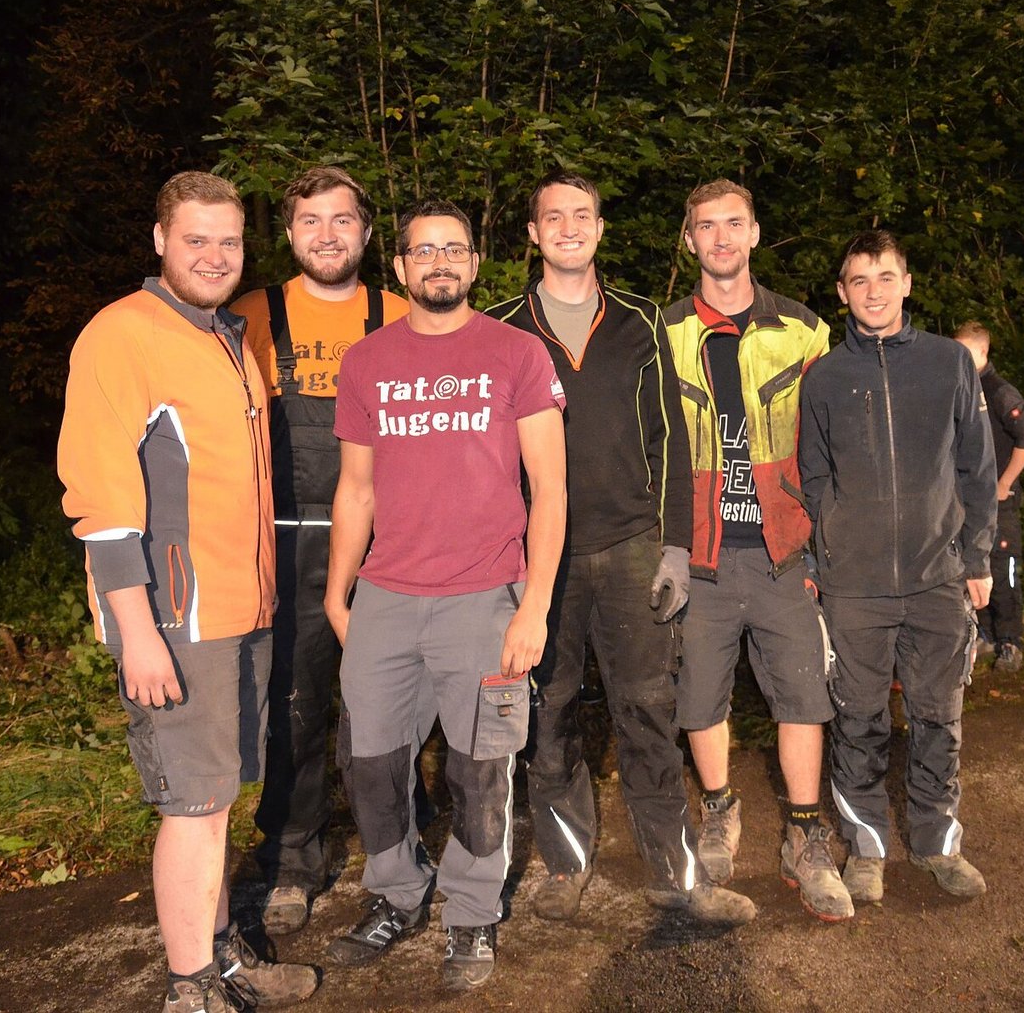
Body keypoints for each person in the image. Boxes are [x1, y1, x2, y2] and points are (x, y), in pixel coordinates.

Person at [57, 172, 319, 1013]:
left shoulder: (224, 333)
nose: (214, 256)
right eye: (196, 239)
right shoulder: (122, 334)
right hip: (178, 620)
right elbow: (100, 503)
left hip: (244, 610)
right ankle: (190, 985)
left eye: (228, 241)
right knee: (195, 805)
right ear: (160, 240)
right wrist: (136, 631)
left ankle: (220, 957)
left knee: (220, 799)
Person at [488, 171, 756, 926]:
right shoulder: (501, 329)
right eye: (553, 217)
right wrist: (502, 560)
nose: (569, 227)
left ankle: (676, 873)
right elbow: (487, 456)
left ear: (601, 229)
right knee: (549, 712)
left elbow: (670, 439)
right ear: (533, 234)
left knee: (647, 710)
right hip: (541, 559)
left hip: (633, 545)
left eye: (583, 215)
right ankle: (566, 863)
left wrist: (675, 546)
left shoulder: (640, 321)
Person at [322, 200, 567, 991]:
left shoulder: (516, 353)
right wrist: (337, 595)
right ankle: (397, 894)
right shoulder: (366, 360)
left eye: (454, 250)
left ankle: (470, 912)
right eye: (423, 251)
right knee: (369, 764)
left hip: (486, 599)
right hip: (385, 598)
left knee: (480, 771)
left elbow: (550, 489)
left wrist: (533, 607)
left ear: (474, 263)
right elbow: (355, 489)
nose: (440, 262)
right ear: (399, 267)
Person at [661, 179, 853, 922]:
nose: (721, 237)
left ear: (754, 233)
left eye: (733, 223)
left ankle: (805, 835)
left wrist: (825, 543)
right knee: (698, 695)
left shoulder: (803, 330)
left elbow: (832, 444)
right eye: (706, 226)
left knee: (803, 696)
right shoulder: (665, 332)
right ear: (689, 240)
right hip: (701, 555)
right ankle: (718, 811)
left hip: (782, 550)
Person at [231, 167, 408, 935]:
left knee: (386, 708)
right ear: (289, 233)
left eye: (342, 220)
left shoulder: (399, 316)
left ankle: (393, 853)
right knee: (293, 710)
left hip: (387, 542)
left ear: (366, 233)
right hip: (285, 542)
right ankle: (293, 857)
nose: (327, 235)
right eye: (310, 220)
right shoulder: (249, 316)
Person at [799, 229, 997, 905]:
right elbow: (813, 477)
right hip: (853, 589)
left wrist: (975, 557)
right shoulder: (825, 377)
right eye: (859, 280)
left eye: (885, 277)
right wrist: (826, 554)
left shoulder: (949, 363)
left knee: (937, 719)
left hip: (937, 576)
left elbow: (976, 467)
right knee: (858, 721)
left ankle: (938, 844)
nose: (873, 291)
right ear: (842, 292)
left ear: (907, 284)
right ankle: (867, 849)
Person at [954, 322, 1024, 672]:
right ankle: (984, 635)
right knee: (975, 567)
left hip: (1001, 504)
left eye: (964, 352)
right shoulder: (960, 389)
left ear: (982, 351)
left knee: (1004, 572)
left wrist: (1005, 484)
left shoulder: (1000, 392)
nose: (957, 358)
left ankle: (1010, 641)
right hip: (971, 503)